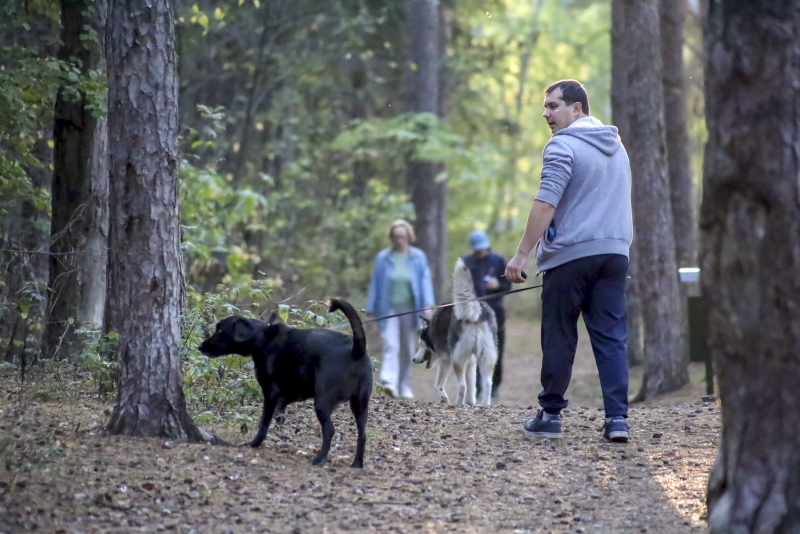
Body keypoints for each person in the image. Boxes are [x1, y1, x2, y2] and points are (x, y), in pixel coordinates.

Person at [505, 79, 633, 442]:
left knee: (559, 335)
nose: (546, 114)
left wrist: (521, 255)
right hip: (614, 255)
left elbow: (545, 202)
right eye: (545, 107)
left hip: (571, 257)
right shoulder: (617, 148)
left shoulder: (562, 145)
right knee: (610, 337)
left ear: (577, 109)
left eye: (554, 106)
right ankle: (617, 420)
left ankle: (550, 416)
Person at [366, 219, 435, 399]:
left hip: (412, 309)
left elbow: (425, 281)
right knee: (391, 344)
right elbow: (376, 283)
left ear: (409, 237)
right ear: (391, 238)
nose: (399, 240)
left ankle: (404, 385)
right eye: (396, 237)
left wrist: (428, 304)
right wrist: (370, 308)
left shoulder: (418, 257)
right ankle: (389, 382)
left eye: (403, 237)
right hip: (387, 308)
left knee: (407, 348)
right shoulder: (383, 258)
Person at [461, 229, 510, 398]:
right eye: (477, 249)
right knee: (473, 349)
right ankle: (475, 384)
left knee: (495, 349)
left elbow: (507, 287)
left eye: (482, 249)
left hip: (495, 312)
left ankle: (494, 384)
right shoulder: (466, 262)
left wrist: (498, 285)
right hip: (472, 314)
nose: (479, 252)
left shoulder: (497, 261)